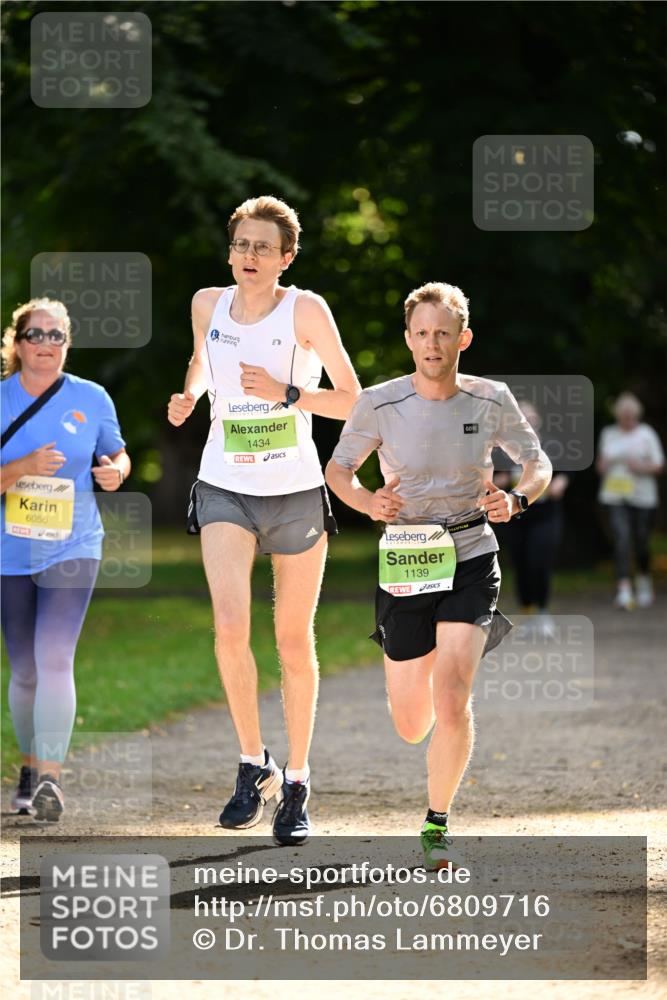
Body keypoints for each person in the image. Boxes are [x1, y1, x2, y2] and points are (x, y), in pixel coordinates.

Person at [325, 281, 552, 868]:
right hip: (407, 558)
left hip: (473, 551)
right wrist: (369, 501)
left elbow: (538, 464)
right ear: (409, 339)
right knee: (410, 722)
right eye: (422, 333)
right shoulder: (379, 401)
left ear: (463, 339)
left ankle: (436, 823)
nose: (432, 343)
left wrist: (518, 499)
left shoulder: (489, 397)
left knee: (452, 698)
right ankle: (425, 710)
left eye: (443, 333)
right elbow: (340, 470)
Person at [167, 195, 360, 846]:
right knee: (228, 626)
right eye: (240, 244)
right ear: (230, 251)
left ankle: (298, 779)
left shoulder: (305, 310)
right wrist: (190, 393)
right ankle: (255, 762)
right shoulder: (206, 304)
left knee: (290, 639)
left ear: (286, 256)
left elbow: (351, 399)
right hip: (224, 484)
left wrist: (286, 394)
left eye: (262, 247)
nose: (249, 256)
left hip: (295, 491)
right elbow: (202, 361)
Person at [1, 297, 130, 822]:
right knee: (26, 670)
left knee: (55, 657)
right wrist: (23, 466)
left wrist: (117, 471)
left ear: (67, 344)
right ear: (18, 343)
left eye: (57, 336)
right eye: (37, 335)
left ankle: (51, 776)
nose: (47, 345)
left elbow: (117, 451)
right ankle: (30, 769)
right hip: (9, 551)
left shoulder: (91, 398)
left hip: (73, 545)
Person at [494, 400, 569, 638]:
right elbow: (494, 478)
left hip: (546, 514)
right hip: (517, 516)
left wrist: (561, 481)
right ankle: (527, 614)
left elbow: (568, 470)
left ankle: (543, 613)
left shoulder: (551, 446)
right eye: (522, 417)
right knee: (521, 564)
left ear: (538, 420)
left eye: (531, 417)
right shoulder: (505, 448)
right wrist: (500, 483)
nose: (528, 421)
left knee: (540, 561)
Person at [596, 392, 664, 609]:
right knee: (622, 539)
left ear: (636, 415)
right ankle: (624, 590)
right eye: (623, 416)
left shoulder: (646, 434)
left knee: (641, 541)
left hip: (643, 497)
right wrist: (605, 464)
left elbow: (659, 465)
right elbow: (600, 466)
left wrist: (641, 467)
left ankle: (644, 580)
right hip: (615, 495)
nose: (626, 420)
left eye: (630, 416)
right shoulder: (609, 433)